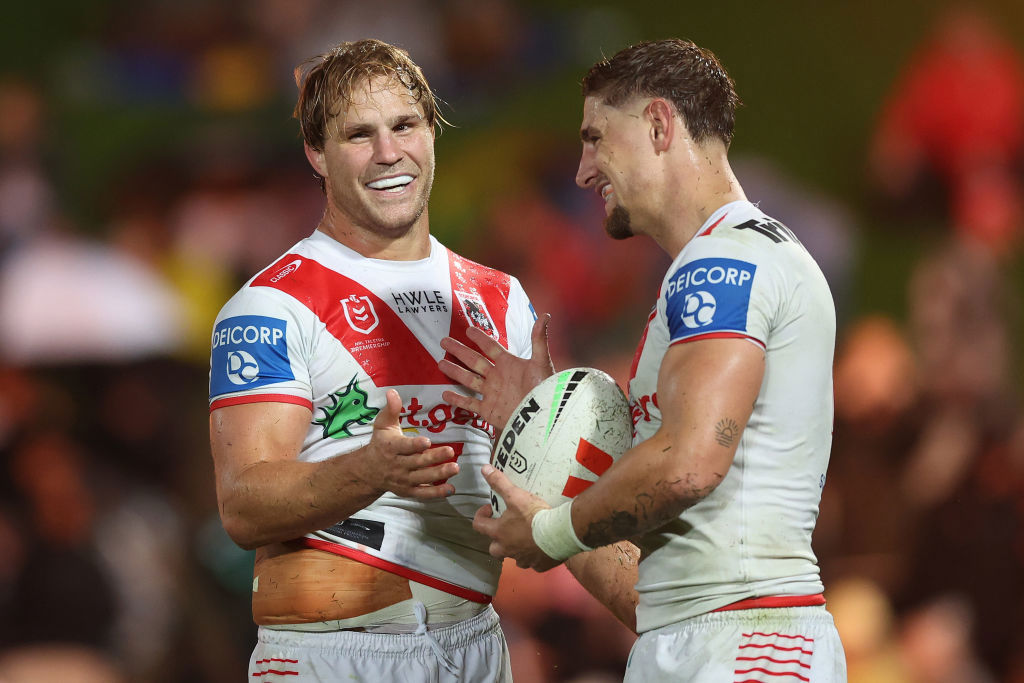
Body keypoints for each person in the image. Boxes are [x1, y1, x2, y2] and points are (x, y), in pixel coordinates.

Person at [439, 38, 848, 681]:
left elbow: (688, 465)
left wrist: (548, 535)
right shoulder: (724, 264)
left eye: (596, 138)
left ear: (658, 124)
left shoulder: (720, 266)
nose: (583, 170)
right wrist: (547, 447)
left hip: (746, 650)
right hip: (720, 641)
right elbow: (657, 597)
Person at [207, 39, 560, 681]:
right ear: (316, 152)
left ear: (432, 133)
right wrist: (370, 469)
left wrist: (547, 439)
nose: (388, 152)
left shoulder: (503, 299)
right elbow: (243, 505)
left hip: (476, 645)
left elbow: (539, 499)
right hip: (330, 653)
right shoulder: (269, 304)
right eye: (357, 135)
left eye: (404, 126)